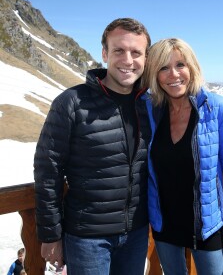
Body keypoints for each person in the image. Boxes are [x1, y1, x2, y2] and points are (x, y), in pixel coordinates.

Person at [34, 18, 152, 275]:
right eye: (119, 50)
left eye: (136, 53)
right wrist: (50, 234)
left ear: (146, 58)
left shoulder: (149, 105)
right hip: (87, 237)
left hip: (137, 233)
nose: (128, 60)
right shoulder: (71, 102)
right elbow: (47, 171)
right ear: (104, 53)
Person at [141, 38, 223, 275]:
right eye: (163, 68)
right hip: (163, 224)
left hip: (206, 227)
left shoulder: (218, 109)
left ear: (192, 67)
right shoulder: (149, 109)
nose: (173, 74)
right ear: (154, 75)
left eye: (180, 65)